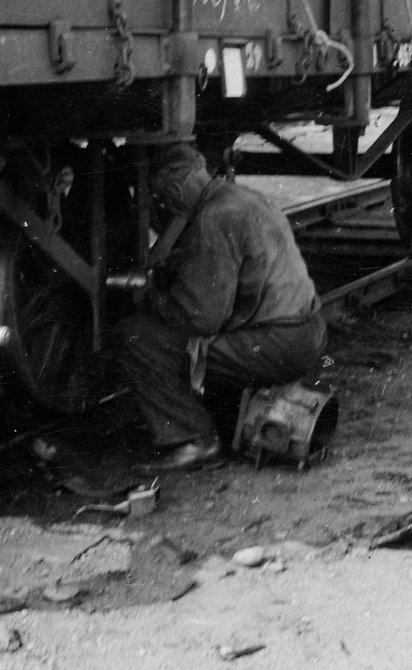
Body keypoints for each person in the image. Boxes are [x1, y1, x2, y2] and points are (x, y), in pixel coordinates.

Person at [116, 143, 328, 472]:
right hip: (308, 332)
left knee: (135, 337)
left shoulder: (213, 218)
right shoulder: (242, 198)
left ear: (176, 188)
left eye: (164, 197)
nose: (167, 206)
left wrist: (150, 296)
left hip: (279, 344)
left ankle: (196, 441)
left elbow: (200, 318)